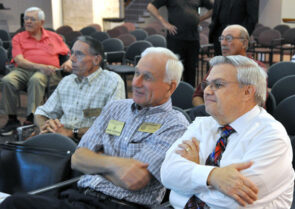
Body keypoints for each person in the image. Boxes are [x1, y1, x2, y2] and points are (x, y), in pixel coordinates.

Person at [0, 47, 190, 209]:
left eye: (147, 77)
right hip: (78, 196)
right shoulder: (116, 108)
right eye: (137, 73)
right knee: (13, 204)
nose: (136, 83)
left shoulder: (175, 124)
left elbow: (134, 180)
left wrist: (96, 161)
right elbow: (77, 159)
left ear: (170, 87)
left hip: (121, 205)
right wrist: (119, 165)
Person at [161, 55, 295, 209]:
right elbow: (167, 173)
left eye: (218, 84)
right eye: (207, 84)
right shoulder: (202, 124)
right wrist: (212, 176)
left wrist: (190, 177)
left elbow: (233, 202)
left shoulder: (271, 136)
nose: (207, 91)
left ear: (247, 91)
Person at [34, 36, 125, 141]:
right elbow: (41, 112)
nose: (72, 59)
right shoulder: (67, 81)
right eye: (72, 53)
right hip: (60, 138)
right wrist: (45, 127)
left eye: (79, 54)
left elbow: (115, 127)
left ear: (96, 60)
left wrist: (72, 133)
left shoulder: (112, 82)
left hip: (90, 142)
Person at [0, 7, 71, 136]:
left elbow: (68, 55)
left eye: (32, 19)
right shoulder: (18, 37)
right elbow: (19, 60)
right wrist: (39, 66)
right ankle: (12, 119)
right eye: (26, 18)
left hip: (49, 72)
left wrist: (68, 62)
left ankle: (31, 118)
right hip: (24, 69)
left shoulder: (55, 37)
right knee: (7, 80)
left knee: (36, 79)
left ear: (42, 22)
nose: (27, 21)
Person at [192, 24, 266, 107]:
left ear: (244, 43)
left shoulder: (256, 68)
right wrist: (207, 112)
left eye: (229, 39)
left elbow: (256, 104)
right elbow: (197, 96)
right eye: (221, 38)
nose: (223, 43)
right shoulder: (218, 66)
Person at [147, 0, 213, 87]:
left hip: (193, 39)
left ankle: (189, 95)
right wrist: (164, 22)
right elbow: (150, 7)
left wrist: (200, 18)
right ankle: (174, 95)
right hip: (175, 39)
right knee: (173, 71)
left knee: (191, 70)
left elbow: (213, 9)